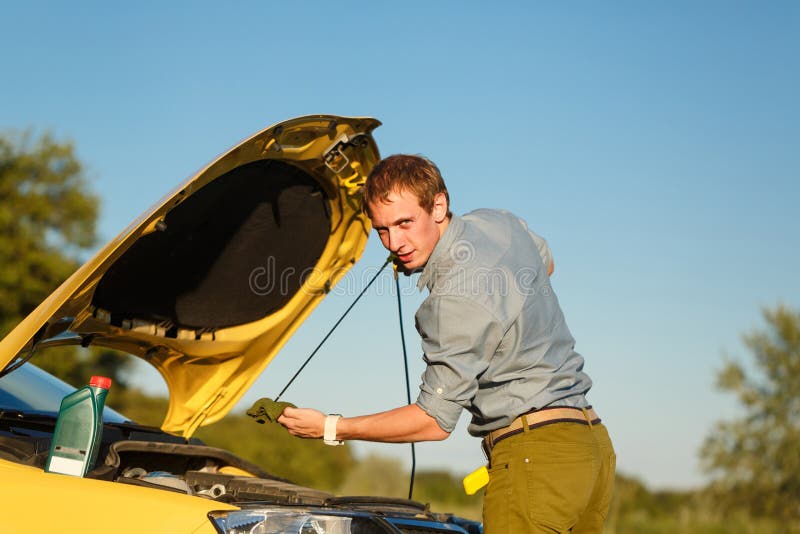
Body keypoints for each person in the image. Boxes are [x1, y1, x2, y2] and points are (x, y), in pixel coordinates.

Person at [278, 154, 615, 533]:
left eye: (405, 223)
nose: (395, 243)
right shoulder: (497, 223)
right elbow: (546, 264)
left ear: (438, 205)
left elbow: (433, 421)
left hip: (535, 458)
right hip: (592, 448)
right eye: (383, 230)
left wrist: (331, 427)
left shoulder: (453, 300)